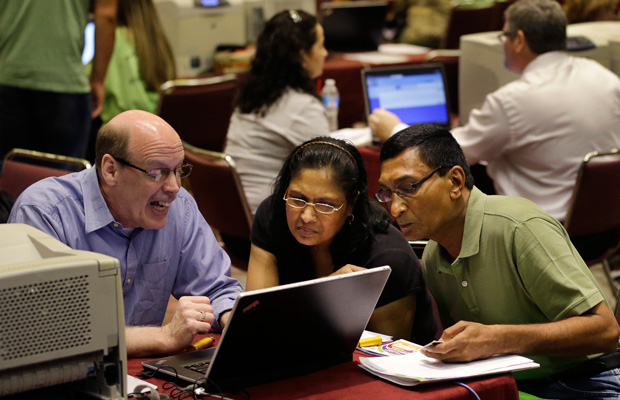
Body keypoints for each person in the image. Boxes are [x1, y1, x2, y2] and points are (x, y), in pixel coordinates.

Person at [377, 124, 620, 399]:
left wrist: (497, 339)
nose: (395, 208)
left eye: (408, 188)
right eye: (387, 193)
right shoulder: (435, 253)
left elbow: (605, 330)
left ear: (455, 182)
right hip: (510, 386)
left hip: (587, 380)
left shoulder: (519, 227)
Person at [8, 110, 244, 357]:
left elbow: (217, 290)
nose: (174, 187)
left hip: (142, 376)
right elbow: (47, 334)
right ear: (110, 170)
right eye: (157, 173)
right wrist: (163, 337)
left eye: (178, 170)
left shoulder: (179, 207)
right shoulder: (45, 214)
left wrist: (231, 317)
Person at [370, 0, 620, 221]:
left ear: (519, 40)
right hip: (604, 223)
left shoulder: (514, 101)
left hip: (542, 231)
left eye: (504, 36)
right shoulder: (606, 78)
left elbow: (449, 152)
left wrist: (394, 129)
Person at [247, 136, 437, 344]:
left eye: (326, 204)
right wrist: (324, 295)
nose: (306, 216)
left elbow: (386, 356)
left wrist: (325, 302)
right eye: (298, 198)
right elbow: (256, 321)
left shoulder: (387, 257)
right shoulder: (273, 216)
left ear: (350, 205)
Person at [224, 9, 366, 217]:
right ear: (302, 56)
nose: (326, 53)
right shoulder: (302, 108)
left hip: (235, 216)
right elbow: (335, 167)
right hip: (270, 220)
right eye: (320, 45)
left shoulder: (252, 97)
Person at [0, 0, 117, 163]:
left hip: (8, 76)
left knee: (8, 178)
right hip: (66, 82)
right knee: (61, 180)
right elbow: (106, 15)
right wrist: (98, 79)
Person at [86, 0, 176, 161]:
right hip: (157, 138)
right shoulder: (156, 41)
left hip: (123, 143)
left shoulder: (115, 41)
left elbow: (87, 82)